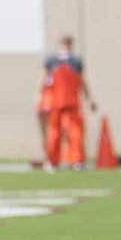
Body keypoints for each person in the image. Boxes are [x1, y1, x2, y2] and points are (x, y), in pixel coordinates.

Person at [41, 36, 97, 172]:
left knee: (57, 132)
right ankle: (76, 161)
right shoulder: (75, 61)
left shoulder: (52, 61)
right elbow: (82, 82)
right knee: (73, 131)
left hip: (57, 101)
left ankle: (54, 162)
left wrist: (42, 99)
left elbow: (43, 81)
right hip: (70, 100)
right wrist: (89, 99)